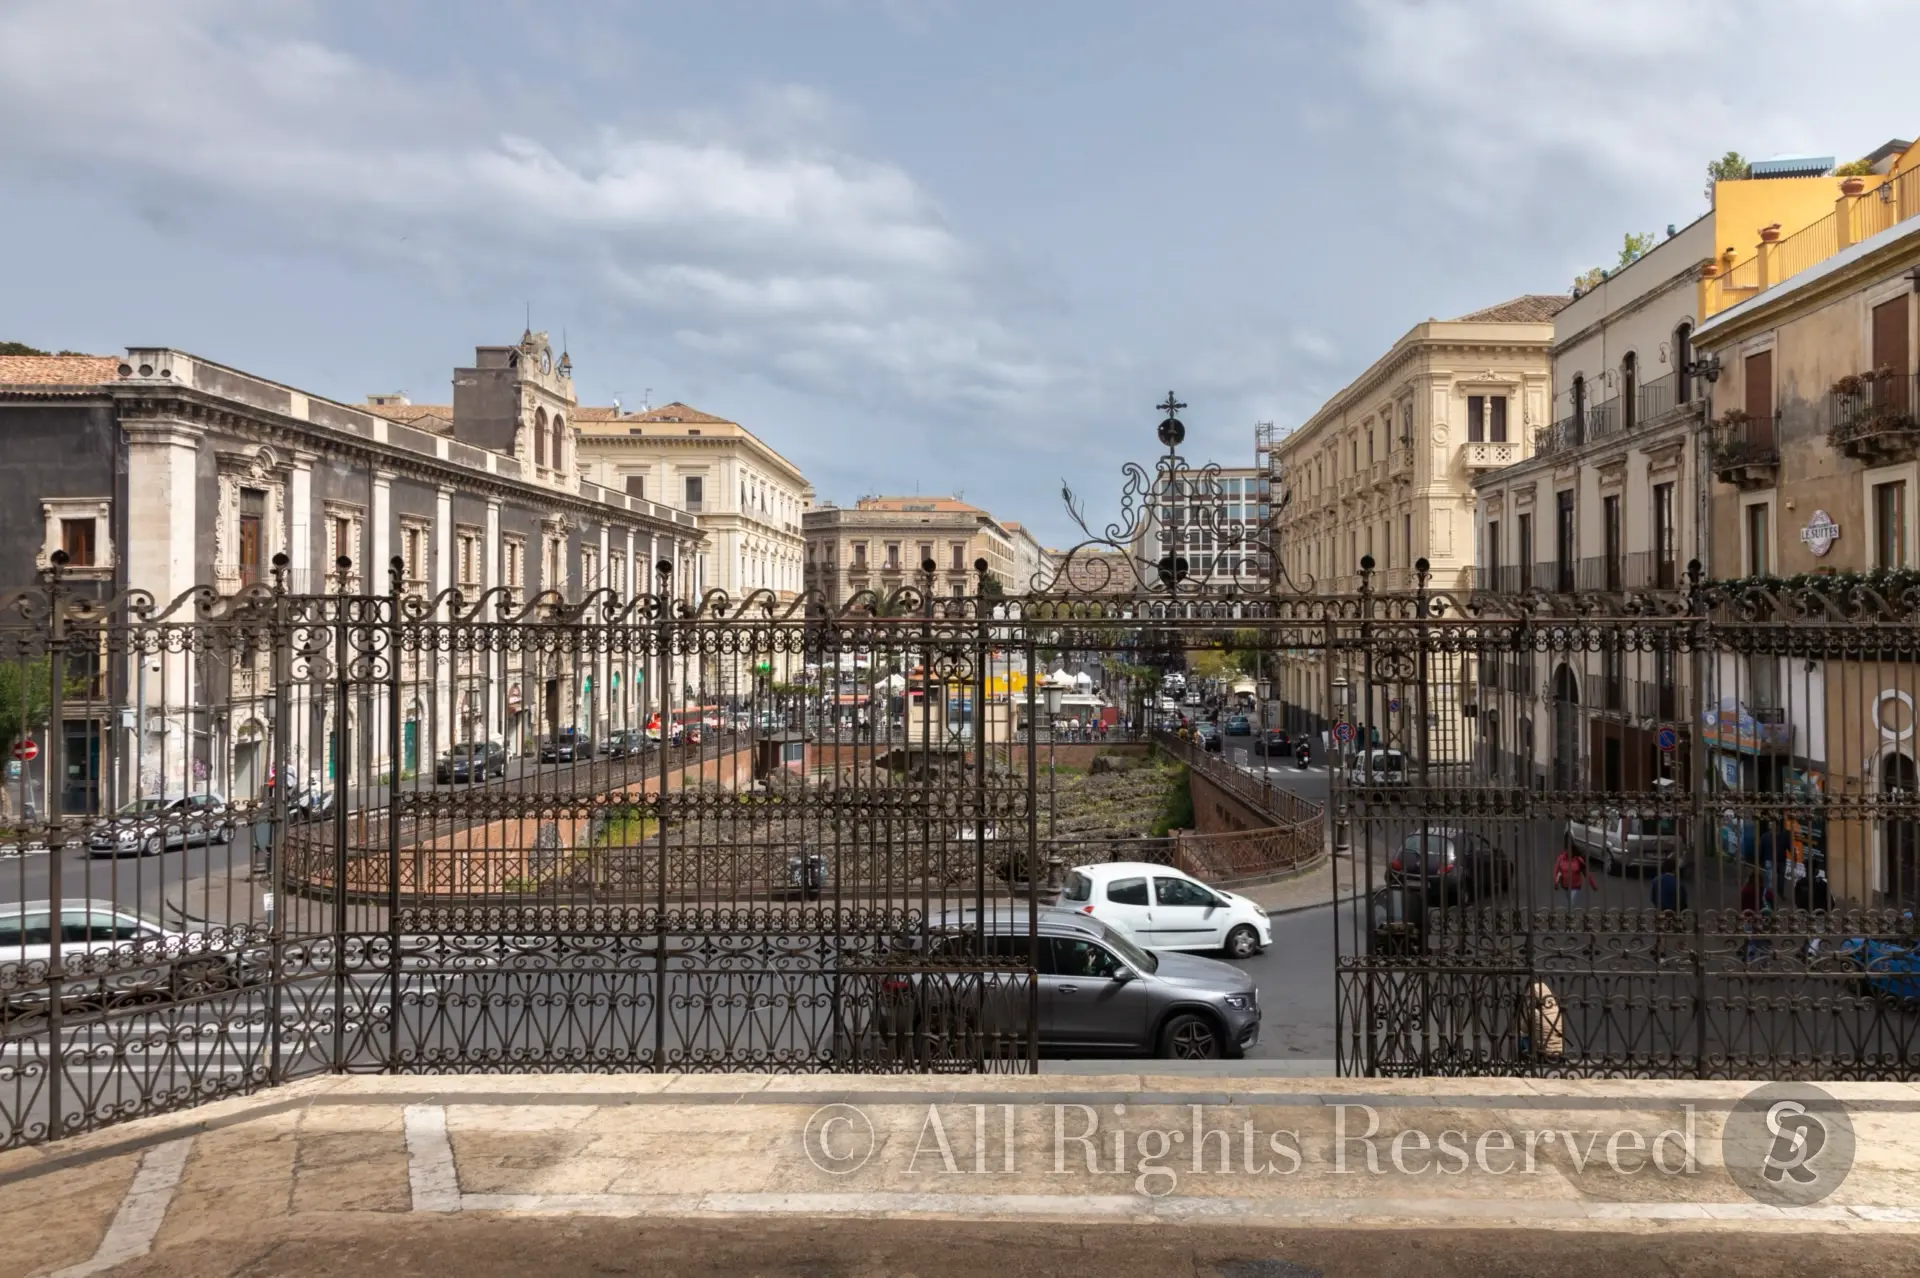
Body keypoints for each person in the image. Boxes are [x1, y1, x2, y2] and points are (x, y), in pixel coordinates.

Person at [1552, 837, 1597, 909]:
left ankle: (1569, 916)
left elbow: (1586, 874)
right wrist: (1555, 882)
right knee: (1567, 901)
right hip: (1565, 886)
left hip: (1575, 886)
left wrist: (1593, 885)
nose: (1568, 852)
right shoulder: (1561, 858)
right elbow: (1555, 870)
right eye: (1567, 850)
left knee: (1571, 903)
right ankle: (1569, 915)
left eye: (1570, 851)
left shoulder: (1579, 860)